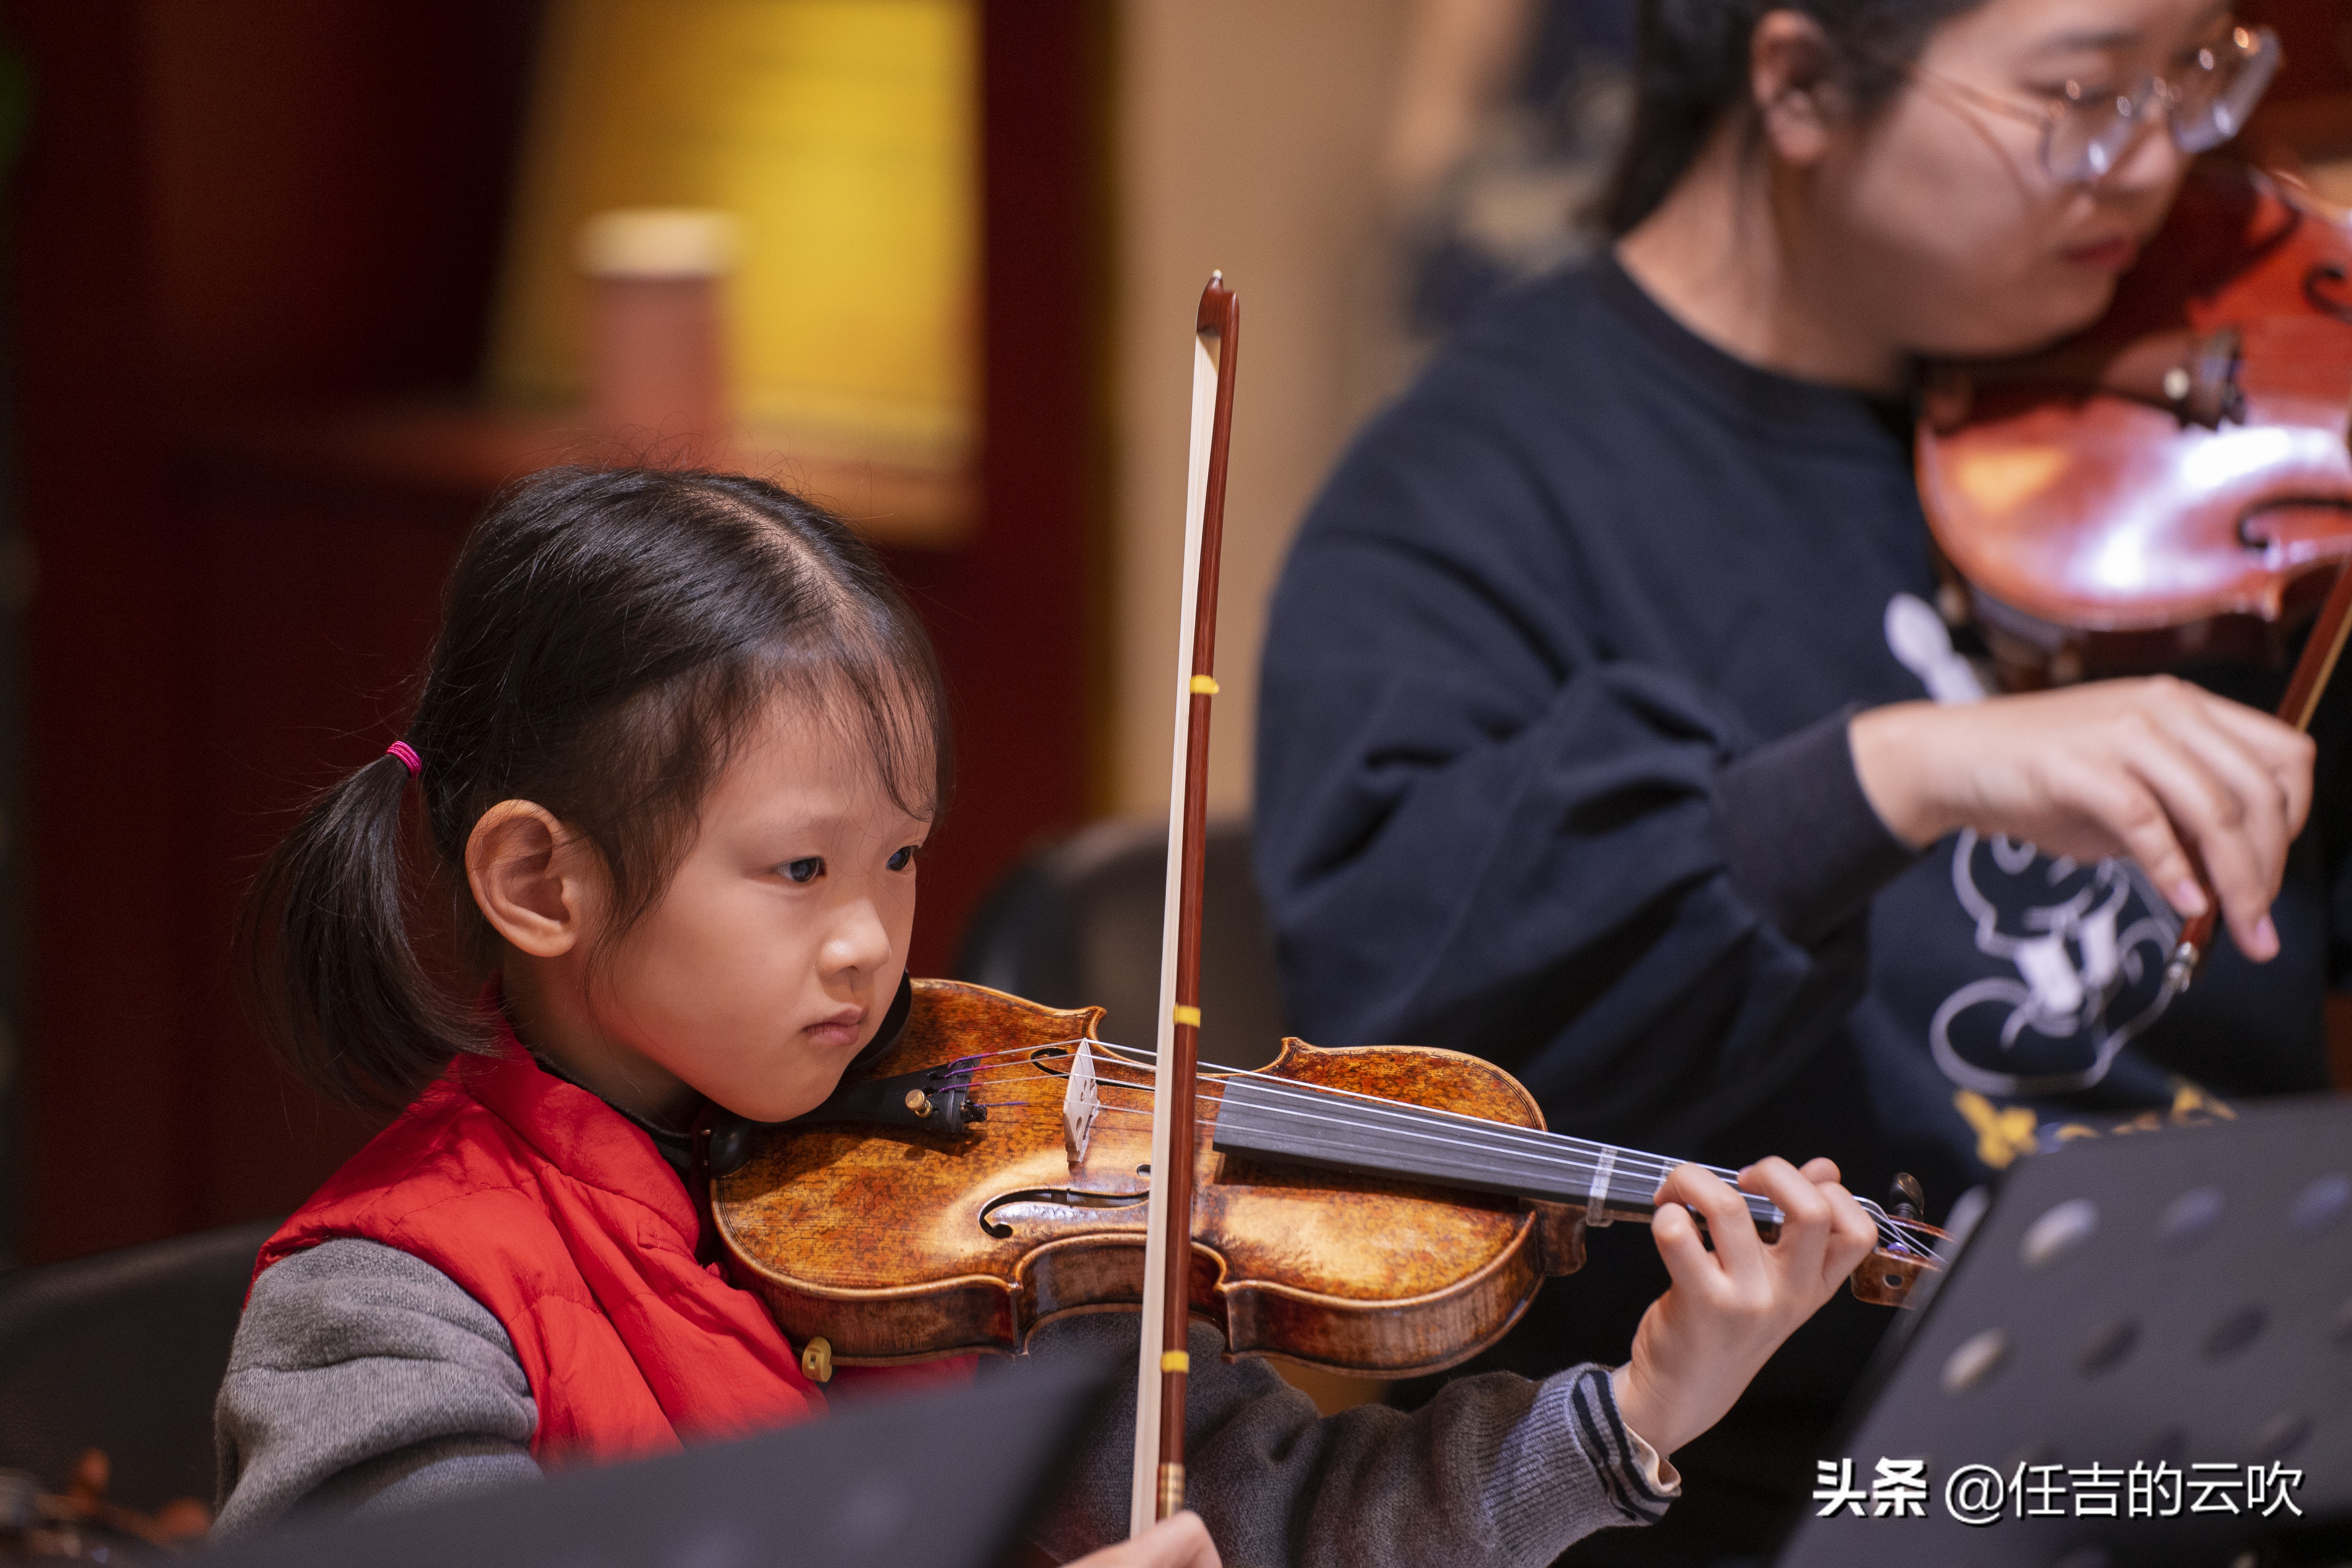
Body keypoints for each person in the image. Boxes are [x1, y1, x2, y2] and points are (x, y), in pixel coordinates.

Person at [213, 465, 1881, 1567]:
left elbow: (1293, 1525)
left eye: (900, 857)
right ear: (539, 880)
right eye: (796, 869)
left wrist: (1638, 1410)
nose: (870, 942)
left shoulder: (966, 1211)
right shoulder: (395, 1306)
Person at [1254, 0, 2338, 1560]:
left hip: (2253, 1431)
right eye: (2087, 93)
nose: (2161, 160)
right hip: (1784, 1493)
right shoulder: (1467, 496)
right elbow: (1413, 1056)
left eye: (2193, 76)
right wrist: (1886, 775)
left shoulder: (2221, 416)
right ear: (1805, 84)